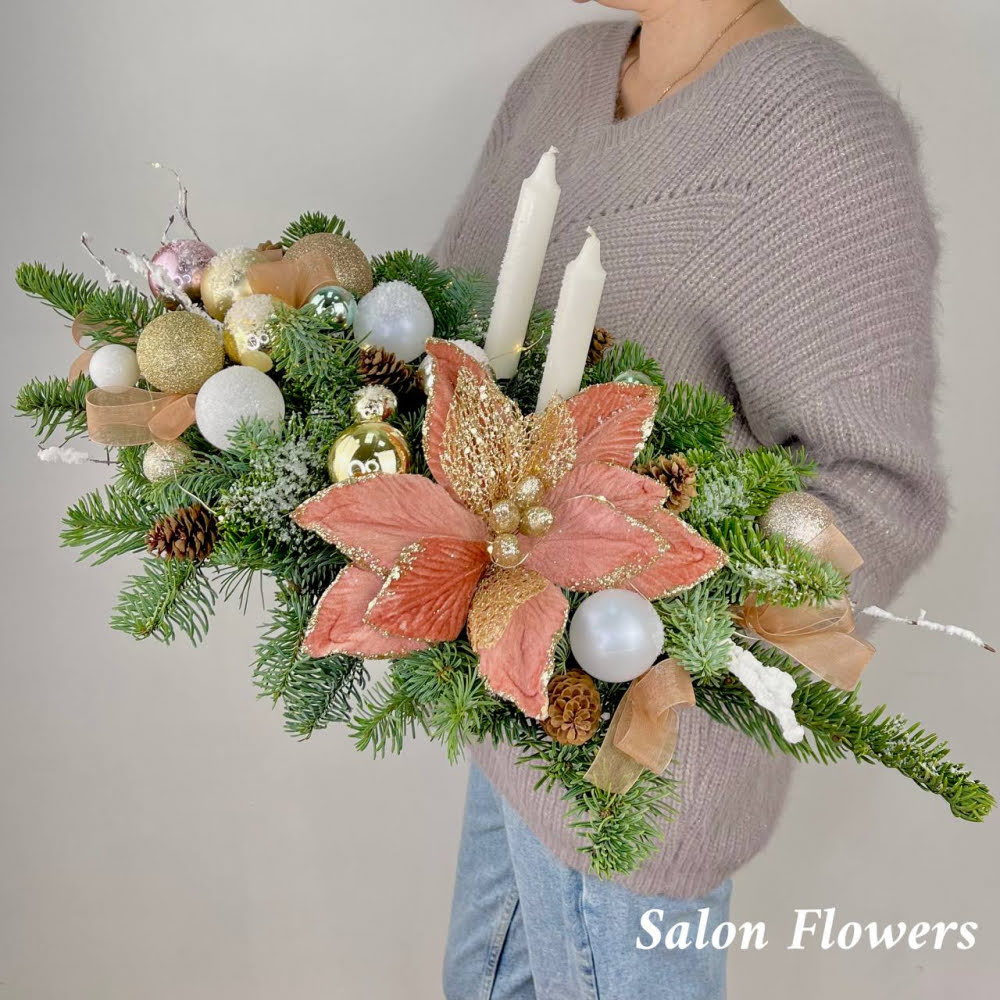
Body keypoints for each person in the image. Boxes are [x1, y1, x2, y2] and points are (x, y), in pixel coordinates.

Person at [430, 2, 947, 997]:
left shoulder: (821, 133)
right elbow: (459, 343)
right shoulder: (566, 74)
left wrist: (671, 630)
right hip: (504, 711)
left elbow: (875, 489)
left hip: (642, 766)